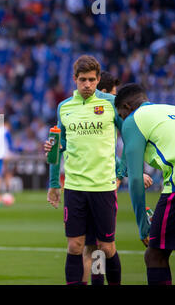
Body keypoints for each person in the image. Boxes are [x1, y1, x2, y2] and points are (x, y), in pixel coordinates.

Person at [44, 55, 123, 285]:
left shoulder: (111, 103)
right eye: (82, 80)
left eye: (91, 79)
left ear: (98, 79)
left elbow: (130, 139)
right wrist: (53, 184)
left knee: (106, 247)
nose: (86, 84)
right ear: (74, 80)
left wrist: (124, 171)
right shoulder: (64, 107)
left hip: (103, 187)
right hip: (75, 187)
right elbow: (60, 145)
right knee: (75, 246)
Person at [81, 71, 153, 285]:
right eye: (113, 94)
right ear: (103, 93)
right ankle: (96, 281)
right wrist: (128, 172)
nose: (117, 99)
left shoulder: (109, 118)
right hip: (97, 185)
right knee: (96, 246)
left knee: (98, 246)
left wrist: (127, 172)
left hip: (99, 184)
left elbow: (124, 150)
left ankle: (97, 281)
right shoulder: (101, 112)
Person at [114, 83, 175, 285]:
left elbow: (136, 178)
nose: (123, 124)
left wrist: (143, 227)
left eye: (120, 116)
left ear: (127, 107)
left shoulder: (133, 120)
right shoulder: (168, 109)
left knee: (154, 255)